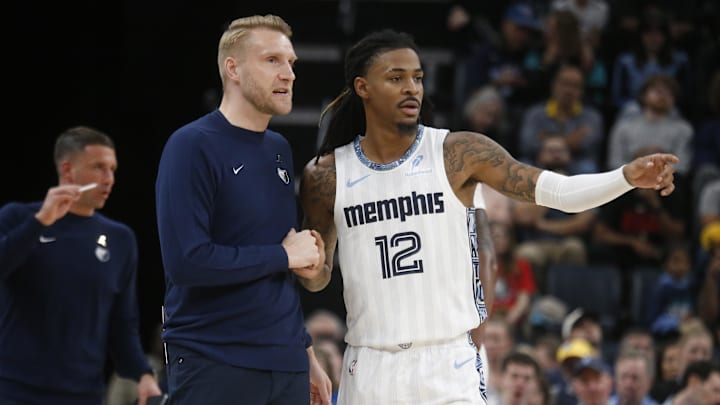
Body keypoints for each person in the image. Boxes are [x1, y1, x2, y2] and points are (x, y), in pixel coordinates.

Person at [299, 29, 679, 404]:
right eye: (396, 78)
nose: (412, 88)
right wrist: (309, 266)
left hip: (448, 362)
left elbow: (560, 193)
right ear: (363, 87)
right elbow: (319, 279)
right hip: (370, 365)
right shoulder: (327, 176)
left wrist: (625, 177)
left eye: (417, 78)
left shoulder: (458, 153)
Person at [154, 14, 331, 404]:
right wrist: (284, 255)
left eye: (291, 63)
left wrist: (305, 351)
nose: (288, 74)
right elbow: (187, 262)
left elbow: (278, 265)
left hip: (285, 363)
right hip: (214, 361)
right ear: (232, 68)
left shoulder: (279, 149)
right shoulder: (191, 145)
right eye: (272, 61)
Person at [0, 126, 162, 404]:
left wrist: (143, 375)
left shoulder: (120, 239)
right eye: (99, 167)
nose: (109, 179)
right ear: (67, 169)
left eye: (112, 169)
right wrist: (39, 222)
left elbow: (122, 322)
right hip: (16, 389)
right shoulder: (18, 218)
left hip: (84, 393)